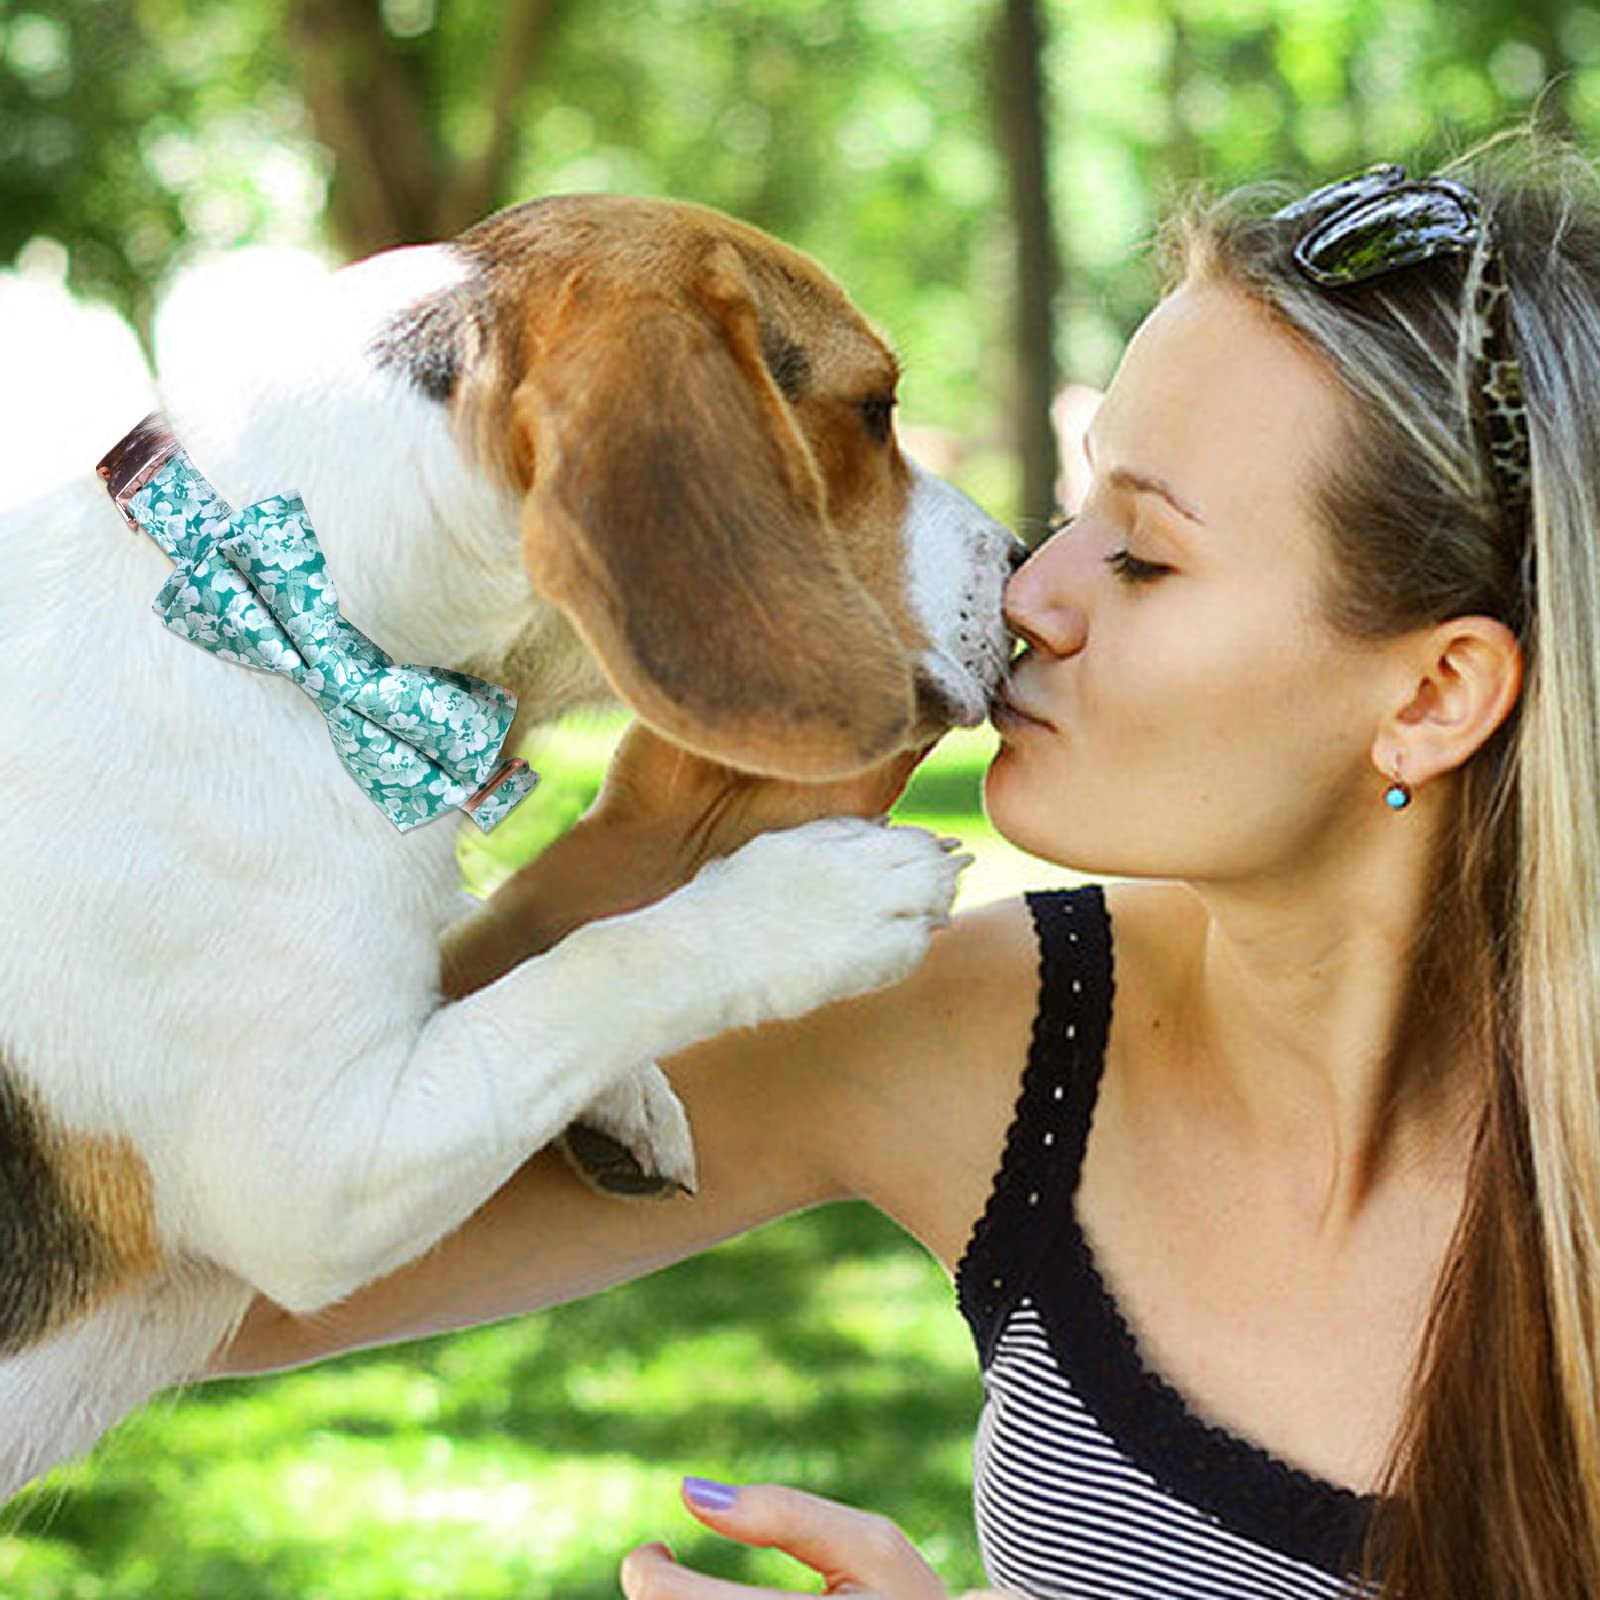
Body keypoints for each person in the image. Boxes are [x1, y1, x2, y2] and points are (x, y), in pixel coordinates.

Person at [210, 130, 1600, 1599]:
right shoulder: (1006, 1041)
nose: (1031, 591)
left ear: (1434, 694)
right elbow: (223, 1280)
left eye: (1143, 555)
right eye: (1078, 510)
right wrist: (645, 848)